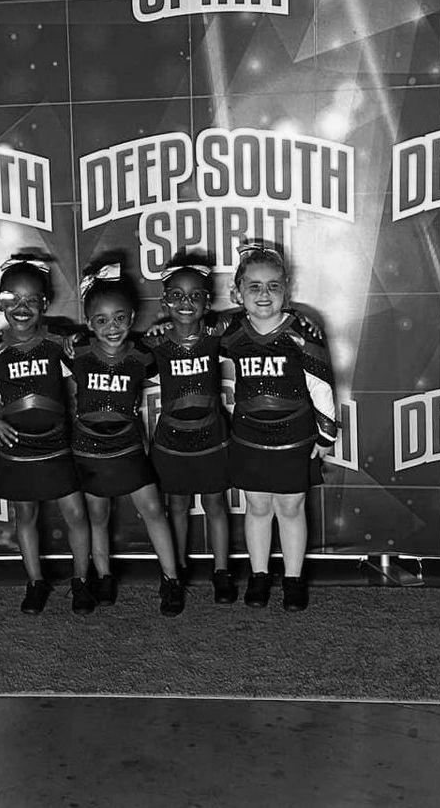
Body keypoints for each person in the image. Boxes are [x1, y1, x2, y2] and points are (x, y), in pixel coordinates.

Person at [0, 253, 95, 616]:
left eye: (31, 300)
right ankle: (35, 581)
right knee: (25, 517)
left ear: (44, 303)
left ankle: (81, 580)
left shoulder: (58, 340)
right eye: (12, 299)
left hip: (58, 443)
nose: (22, 307)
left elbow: (94, 366)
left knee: (76, 514)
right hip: (17, 447)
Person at [220, 240, 337, 611]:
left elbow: (321, 384)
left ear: (287, 289)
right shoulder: (231, 332)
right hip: (250, 436)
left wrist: (327, 433)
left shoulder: (302, 331)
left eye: (273, 285)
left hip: (293, 436)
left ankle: (293, 578)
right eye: (253, 287)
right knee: (256, 507)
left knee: (291, 507)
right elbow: (190, 342)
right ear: (237, 292)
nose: (264, 294)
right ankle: (258, 575)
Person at [68, 258, 186, 616]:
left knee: (153, 509)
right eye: (101, 321)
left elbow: (177, 347)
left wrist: (164, 330)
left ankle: (171, 580)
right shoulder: (78, 353)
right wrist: (68, 338)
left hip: (128, 446)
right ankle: (101, 576)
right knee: (97, 514)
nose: (112, 327)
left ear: (132, 317)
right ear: (90, 324)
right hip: (87, 448)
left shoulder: (140, 355)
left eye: (120, 318)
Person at [142, 253, 236, 603]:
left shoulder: (214, 334)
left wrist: (299, 322)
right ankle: (176, 571)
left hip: (212, 437)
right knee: (177, 507)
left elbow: (257, 322)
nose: (186, 303)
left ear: (207, 300)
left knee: (215, 504)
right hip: (171, 442)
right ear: (164, 300)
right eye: (177, 296)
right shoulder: (156, 341)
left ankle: (222, 572)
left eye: (195, 295)